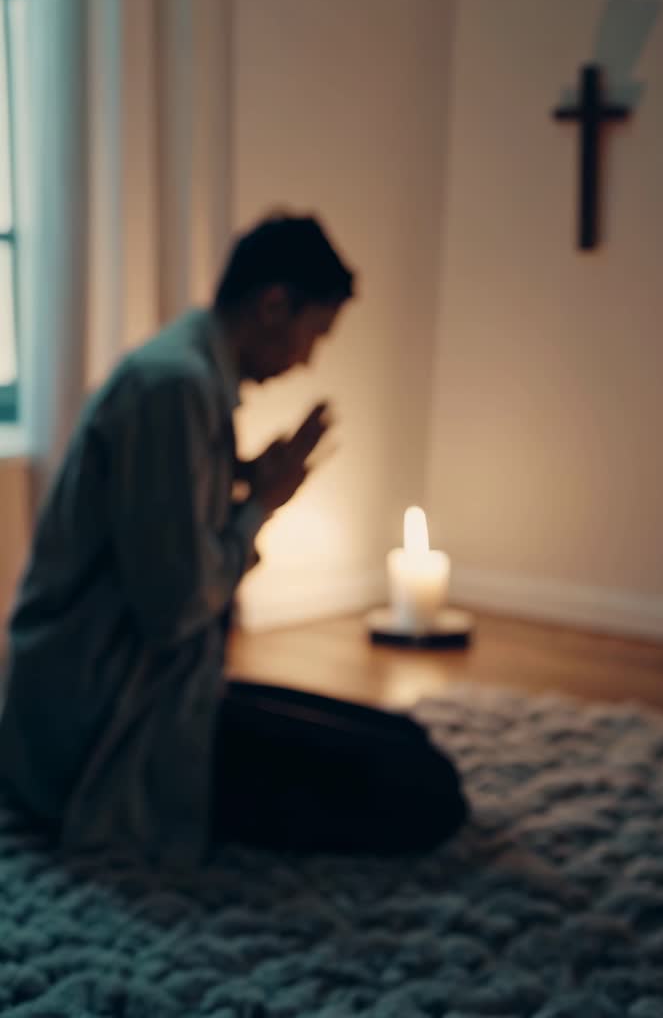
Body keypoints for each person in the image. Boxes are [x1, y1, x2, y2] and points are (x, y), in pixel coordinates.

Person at [0, 213, 467, 867]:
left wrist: (245, 477)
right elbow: (174, 609)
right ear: (275, 305)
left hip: (142, 688)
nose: (308, 358)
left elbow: (162, 534)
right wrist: (264, 502)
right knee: (422, 790)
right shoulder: (176, 387)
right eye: (315, 334)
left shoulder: (187, 372)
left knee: (404, 737)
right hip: (103, 722)